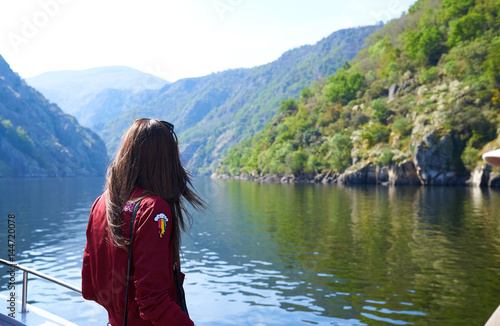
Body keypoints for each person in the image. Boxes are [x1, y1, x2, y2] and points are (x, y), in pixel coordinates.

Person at [82, 118, 205, 325]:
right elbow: (153, 302)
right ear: (165, 160)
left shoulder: (102, 203)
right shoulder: (154, 210)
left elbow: (89, 285)